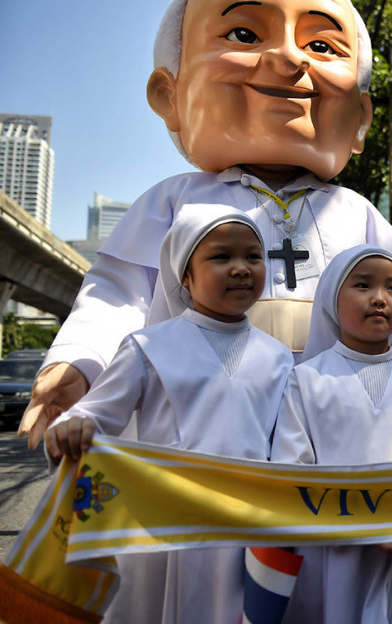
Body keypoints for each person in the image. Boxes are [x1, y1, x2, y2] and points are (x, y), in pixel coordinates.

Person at [20, 0, 392, 450]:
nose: (290, 60)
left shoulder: (355, 213)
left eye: (321, 44)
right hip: (203, 434)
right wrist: (75, 361)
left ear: (360, 117)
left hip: (330, 434)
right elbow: (117, 297)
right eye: (245, 35)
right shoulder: (174, 203)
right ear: (169, 94)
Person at [44, 204, 293, 624]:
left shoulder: (280, 358)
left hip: (244, 532)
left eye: (253, 256)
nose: (241, 268)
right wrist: (72, 427)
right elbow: (92, 416)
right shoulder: (148, 346)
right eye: (221, 257)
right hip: (160, 533)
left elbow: (291, 446)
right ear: (186, 275)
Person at [270, 244, 392, 624]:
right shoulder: (306, 381)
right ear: (332, 297)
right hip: (331, 561)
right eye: (363, 286)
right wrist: (367, 528)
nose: (379, 298)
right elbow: (292, 479)